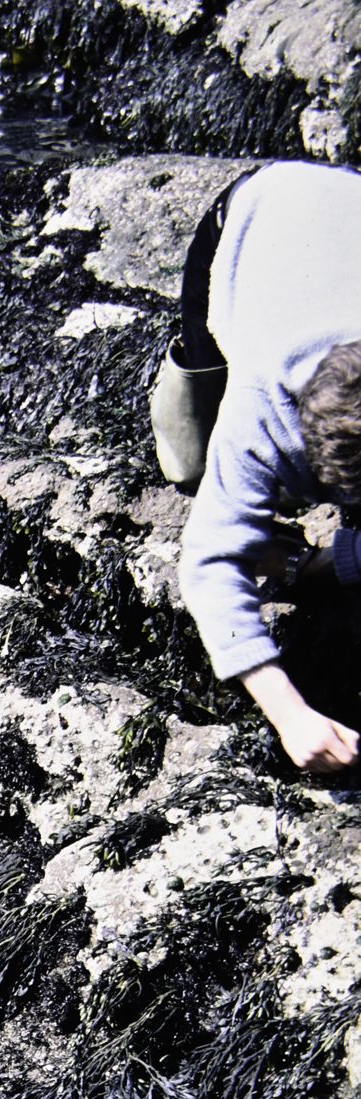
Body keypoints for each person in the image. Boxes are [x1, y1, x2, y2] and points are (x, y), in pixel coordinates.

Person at [150, 161, 361, 773]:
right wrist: (291, 715)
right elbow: (209, 569)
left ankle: (315, 563)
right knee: (188, 463)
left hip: (349, 201)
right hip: (252, 215)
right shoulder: (257, 410)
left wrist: (328, 562)